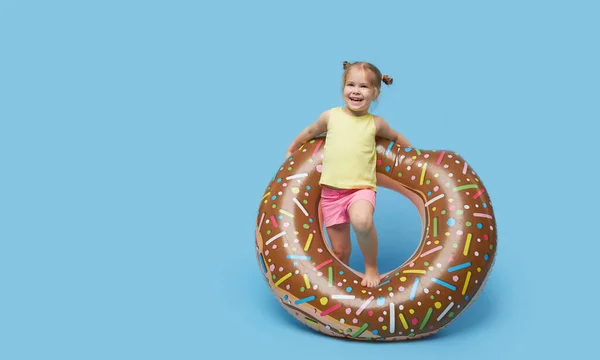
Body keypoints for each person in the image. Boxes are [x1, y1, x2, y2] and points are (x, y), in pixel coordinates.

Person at [285, 61, 412, 287]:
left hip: (360, 189)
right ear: (343, 87)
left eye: (363, 87)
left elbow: (396, 137)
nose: (356, 91)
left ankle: (371, 266)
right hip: (332, 194)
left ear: (375, 93)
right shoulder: (330, 116)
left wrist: (415, 159)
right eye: (351, 84)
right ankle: (340, 290)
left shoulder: (376, 123)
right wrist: (292, 147)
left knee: (362, 221)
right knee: (340, 251)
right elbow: (310, 131)